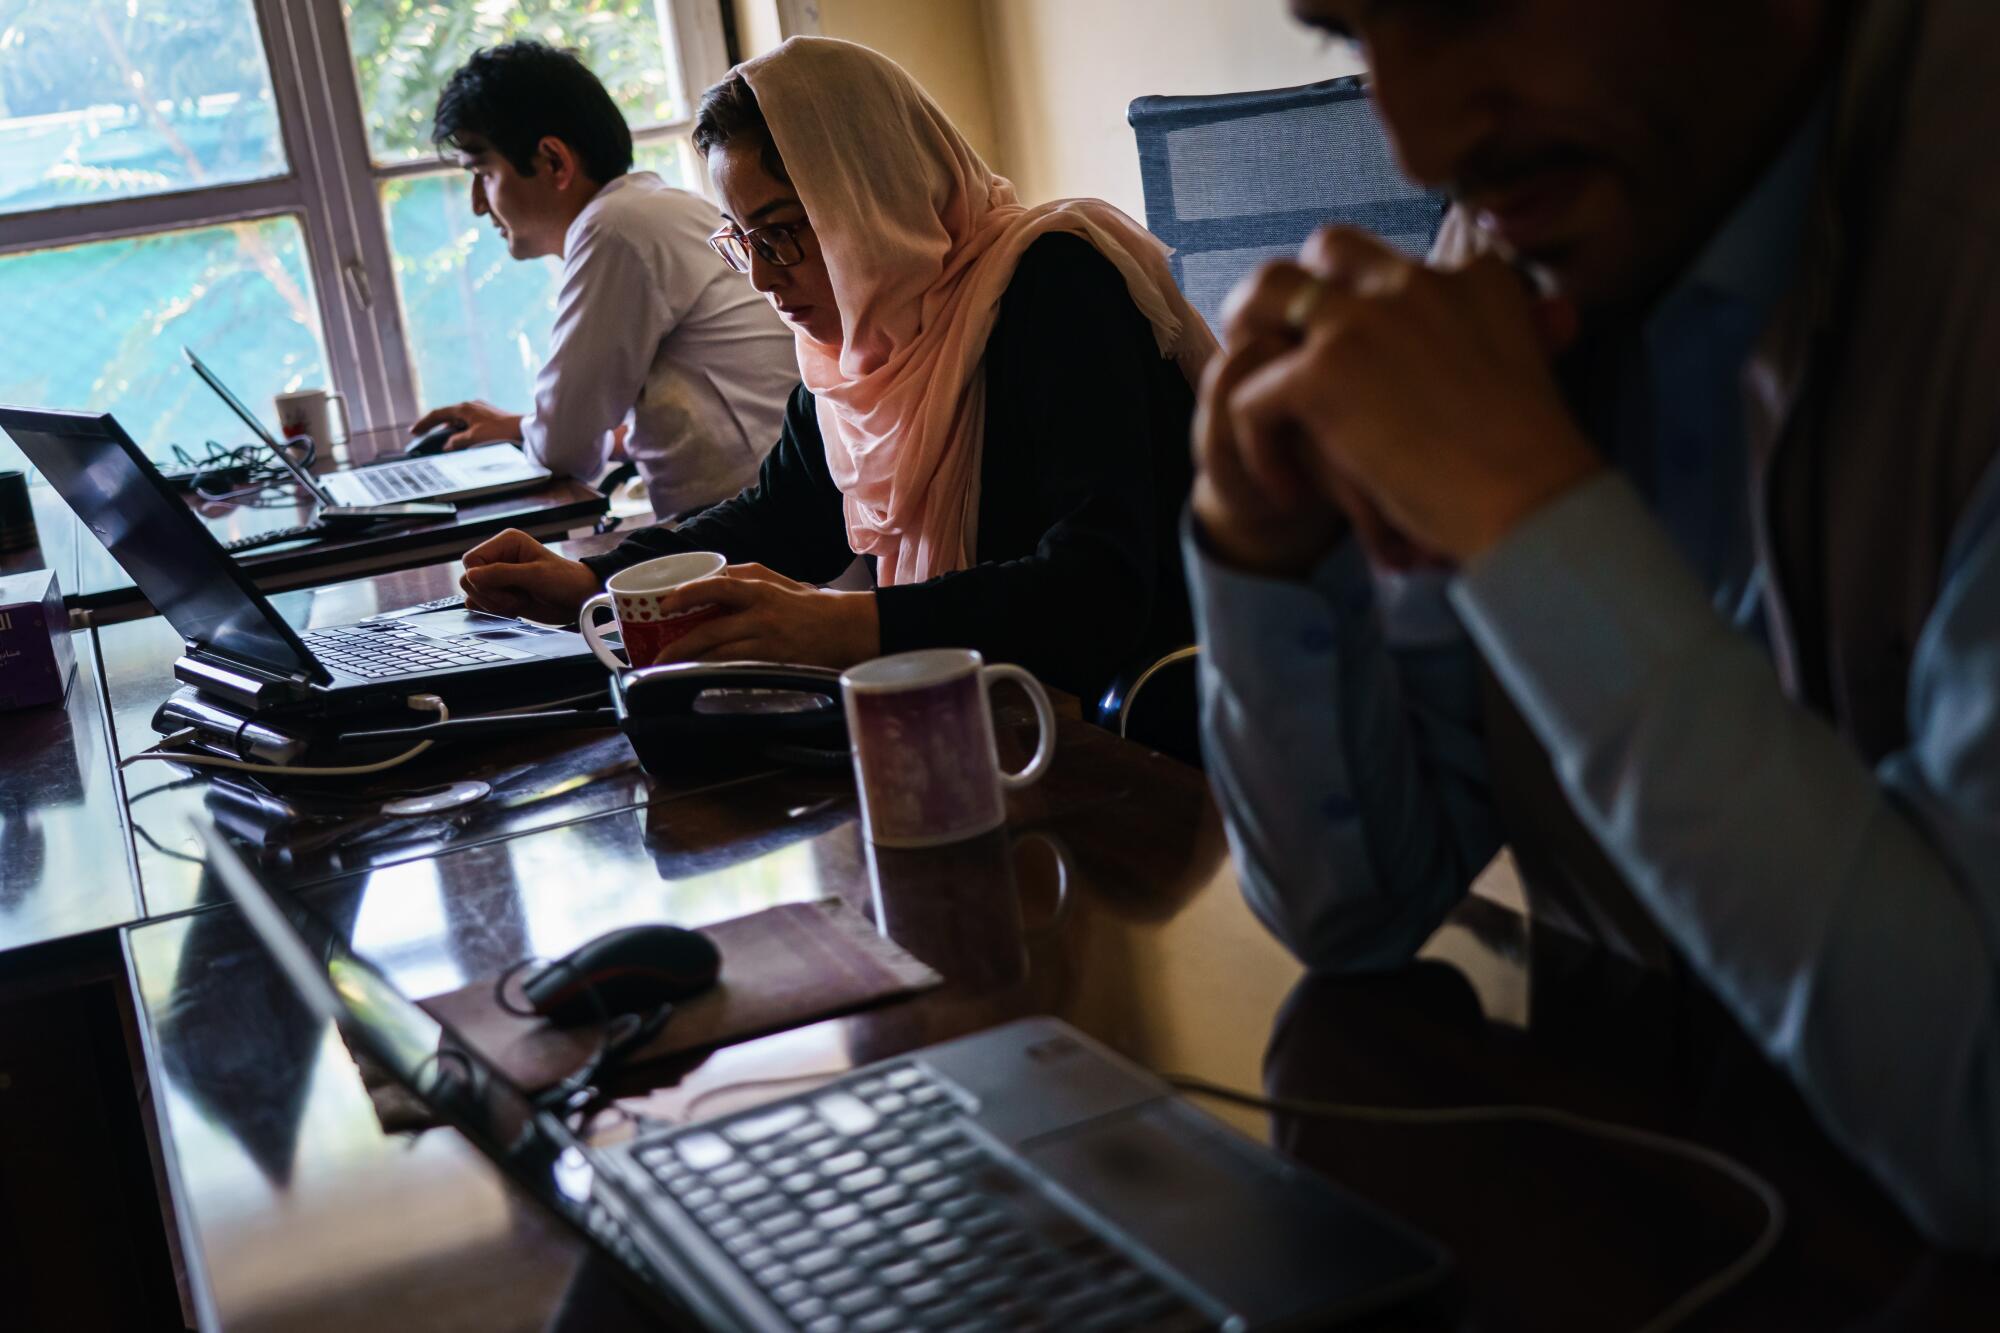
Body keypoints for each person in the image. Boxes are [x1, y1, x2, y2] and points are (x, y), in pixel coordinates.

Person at [1189, 0, 2000, 1248]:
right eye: (1346, 33)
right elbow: (1363, 912)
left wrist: (1530, 521)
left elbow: (1977, 1125)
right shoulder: (1517, 240)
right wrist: (1266, 554)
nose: (1412, 143)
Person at [458, 37, 1214, 704]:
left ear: (873, 199)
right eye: (742, 239)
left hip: (1140, 731)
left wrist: (845, 624)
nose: (760, 275)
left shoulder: (1054, 284)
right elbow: (786, 514)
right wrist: (595, 580)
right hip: (991, 714)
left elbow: (1097, 588)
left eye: (783, 232)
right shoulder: (862, 349)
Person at [413, 40, 798, 520]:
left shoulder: (616, 230)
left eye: (483, 172)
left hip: (751, 536)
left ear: (553, 162)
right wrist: (520, 425)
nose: (476, 203)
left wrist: (535, 430)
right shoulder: (645, 210)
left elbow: (564, 450)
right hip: (748, 518)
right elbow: (635, 424)